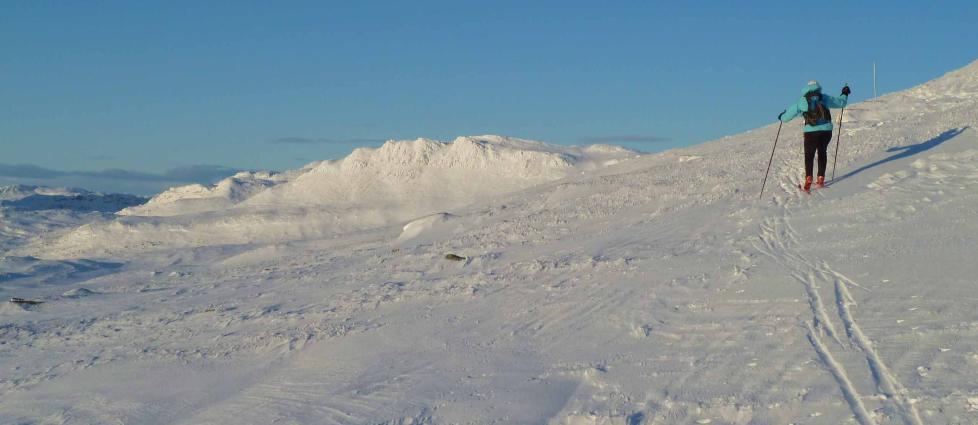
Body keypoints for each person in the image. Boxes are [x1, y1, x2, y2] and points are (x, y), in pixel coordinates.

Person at [778, 80, 850, 192]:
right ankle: (821, 178)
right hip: (826, 130)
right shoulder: (824, 97)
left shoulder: (802, 101)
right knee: (822, 151)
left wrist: (782, 116)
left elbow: (787, 116)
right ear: (818, 88)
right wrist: (844, 93)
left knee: (809, 154)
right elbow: (841, 103)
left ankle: (809, 178)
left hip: (811, 132)